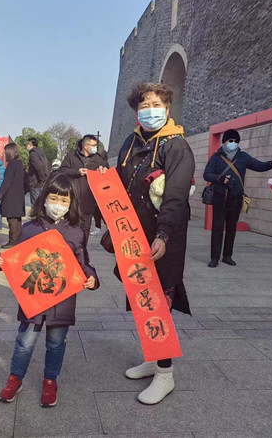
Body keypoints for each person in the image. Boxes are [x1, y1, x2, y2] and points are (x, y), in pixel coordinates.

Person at [104, 82, 195, 405]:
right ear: (135, 111)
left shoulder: (176, 146)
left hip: (161, 239)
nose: (150, 111)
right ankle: (152, 359)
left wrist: (164, 234)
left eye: (156, 105)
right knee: (142, 300)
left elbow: (176, 196)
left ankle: (165, 375)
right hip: (133, 236)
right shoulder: (131, 142)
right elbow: (120, 181)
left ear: (167, 109)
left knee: (159, 305)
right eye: (144, 106)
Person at [0, 173, 99, 407]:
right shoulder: (29, 229)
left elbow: (84, 264)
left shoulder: (76, 232)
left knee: (56, 343)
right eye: (53, 199)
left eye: (64, 201)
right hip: (33, 300)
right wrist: (0, 261)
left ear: (71, 204)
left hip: (62, 301)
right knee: (25, 341)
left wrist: (91, 277)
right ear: (44, 200)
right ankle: (15, 378)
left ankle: (50, 380)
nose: (58, 205)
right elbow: (15, 259)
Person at [204, 129, 272, 267]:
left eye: (236, 141)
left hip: (236, 198)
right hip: (220, 197)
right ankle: (214, 258)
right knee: (217, 229)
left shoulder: (243, 157)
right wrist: (220, 178)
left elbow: (260, 166)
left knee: (231, 229)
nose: (233, 143)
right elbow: (207, 174)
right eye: (230, 141)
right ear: (224, 142)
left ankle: (227, 256)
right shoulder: (216, 157)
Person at [59, 135, 104, 252]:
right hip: (72, 198)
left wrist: (103, 169)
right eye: (93, 146)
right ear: (85, 146)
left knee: (85, 228)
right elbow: (62, 170)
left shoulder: (98, 159)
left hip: (89, 199)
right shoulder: (71, 156)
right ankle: (69, 250)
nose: (95, 148)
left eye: (96, 146)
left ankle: (81, 251)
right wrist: (76, 172)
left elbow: (105, 169)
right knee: (70, 225)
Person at [0, 143, 25, 249]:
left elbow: (7, 181)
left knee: (12, 219)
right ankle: (17, 238)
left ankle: (13, 240)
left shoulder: (11, 164)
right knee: (17, 219)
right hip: (18, 194)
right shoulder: (19, 163)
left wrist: (0, 194)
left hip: (11, 195)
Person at [90, 147, 109, 236]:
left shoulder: (103, 164)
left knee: (100, 211)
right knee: (98, 210)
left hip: (100, 191)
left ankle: (104, 226)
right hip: (99, 191)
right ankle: (103, 226)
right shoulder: (103, 163)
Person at [26, 137, 50, 206]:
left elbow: (38, 166)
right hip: (41, 183)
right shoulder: (41, 153)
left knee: (35, 206)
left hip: (35, 182)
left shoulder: (33, 154)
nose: (27, 146)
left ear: (31, 145)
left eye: (28, 144)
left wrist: (41, 178)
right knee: (41, 204)